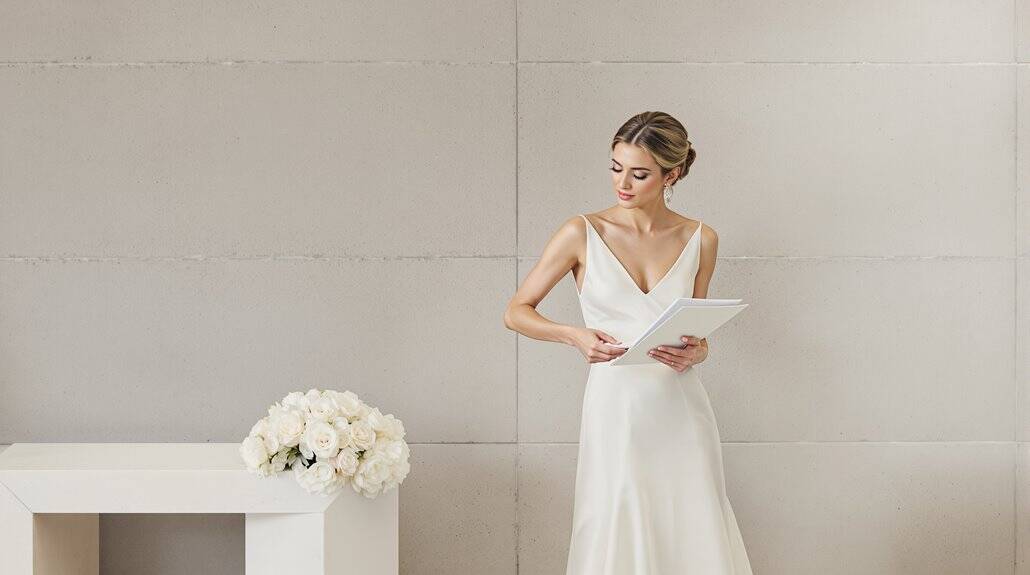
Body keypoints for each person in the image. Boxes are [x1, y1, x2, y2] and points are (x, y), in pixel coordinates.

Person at [503, 111, 754, 574]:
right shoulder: (582, 231)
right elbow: (516, 311)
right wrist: (574, 335)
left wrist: (699, 351)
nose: (623, 183)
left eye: (639, 174)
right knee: (615, 518)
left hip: (680, 408)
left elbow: (696, 334)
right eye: (616, 168)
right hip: (615, 405)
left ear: (671, 174)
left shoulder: (701, 239)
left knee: (692, 521)